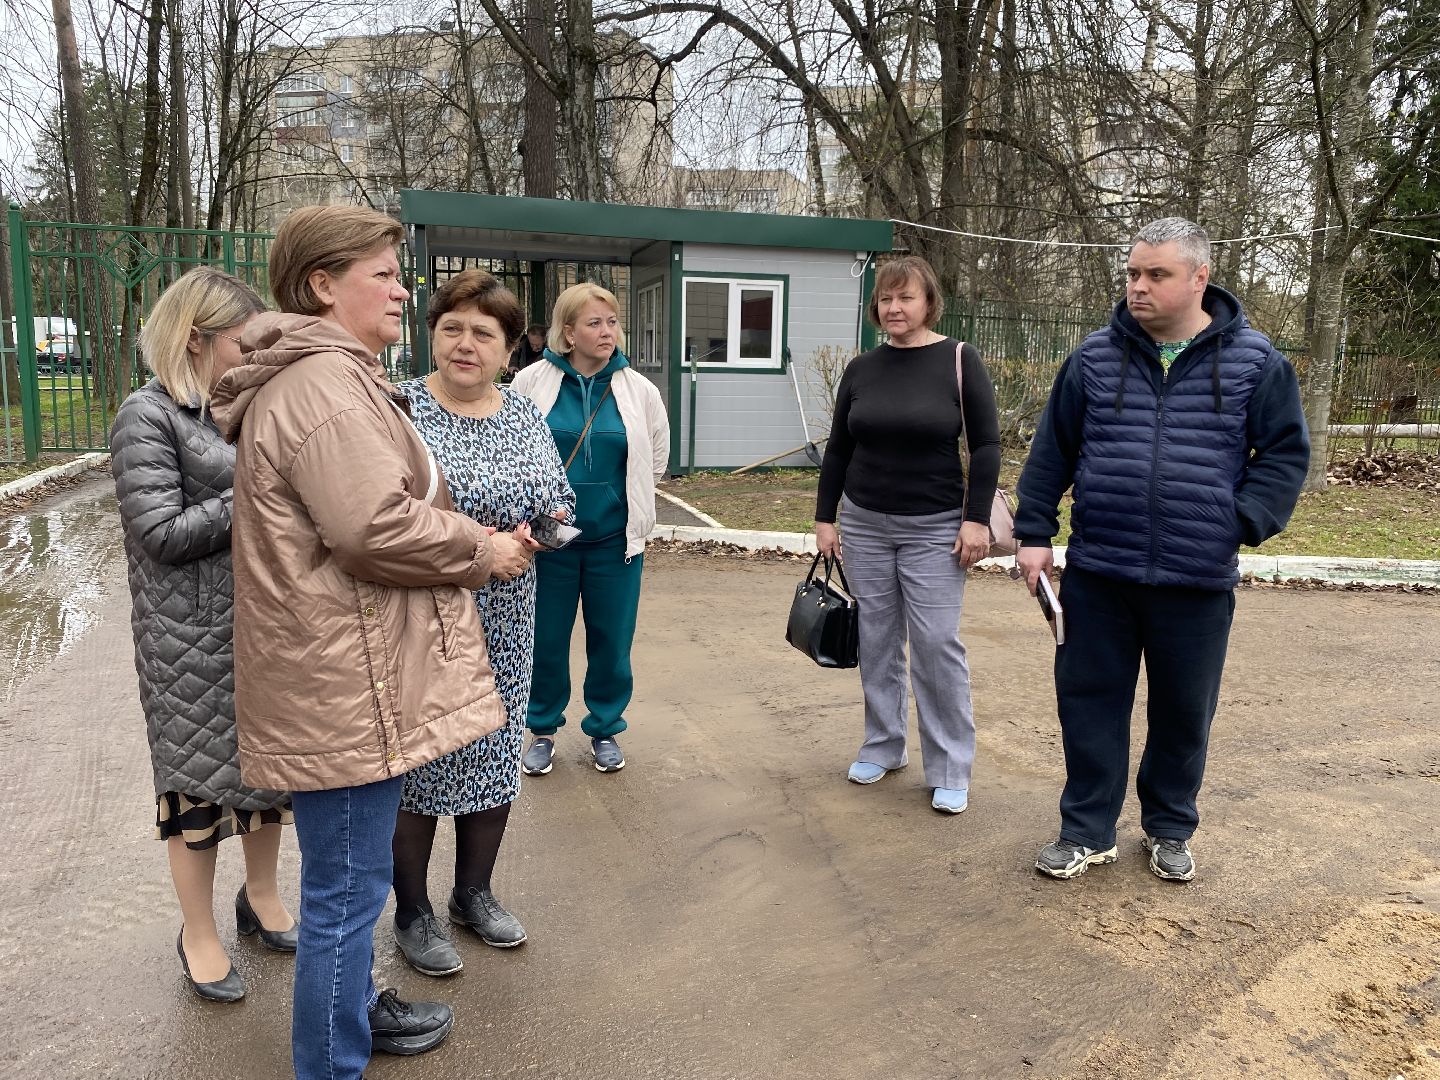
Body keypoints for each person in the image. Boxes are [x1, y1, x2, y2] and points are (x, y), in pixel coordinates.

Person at [211, 205, 532, 1079]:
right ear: (322, 284)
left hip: (344, 669)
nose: (401, 290)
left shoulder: (331, 377)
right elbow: (370, 527)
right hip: (344, 679)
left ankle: (349, 1017)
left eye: (399, 274)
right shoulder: (322, 385)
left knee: (346, 885)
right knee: (347, 894)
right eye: (384, 274)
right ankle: (331, 1061)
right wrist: (480, 548)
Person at [1016, 217, 1308, 884]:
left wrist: (1237, 520)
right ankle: (1086, 830)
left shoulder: (1256, 363)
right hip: (1100, 572)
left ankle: (1169, 828)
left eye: (1156, 274)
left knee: (1183, 714)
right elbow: (1051, 452)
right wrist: (1034, 535)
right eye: (1132, 273)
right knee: (1089, 705)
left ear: (1199, 278)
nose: (1137, 287)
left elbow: (1284, 456)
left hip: (1196, 579)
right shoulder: (1093, 359)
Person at [111, 267, 296, 1004]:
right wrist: (256, 490)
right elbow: (159, 533)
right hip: (186, 638)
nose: (253, 354)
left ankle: (263, 896)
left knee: (268, 770)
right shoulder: (147, 415)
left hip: (264, 625)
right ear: (196, 339)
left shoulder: (243, 406)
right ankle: (198, 932)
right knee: (194, 786)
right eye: (241, 343)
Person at [388, 270, 574, 976]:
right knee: (421, 761)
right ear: (432, 335)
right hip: (422, 615)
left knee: (492, 754)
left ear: (508, 348)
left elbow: (558, 501)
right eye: (453, 329)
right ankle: (412, 911)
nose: (466, 344)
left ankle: (474, 893)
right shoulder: (398, 408)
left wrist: (535, 538)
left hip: (507, 615)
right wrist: (477, 548)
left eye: (484, 334)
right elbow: (385, 517)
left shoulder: (523, 414)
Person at [813, 255, 1002, 815]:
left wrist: (975, 518)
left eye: (906, 297)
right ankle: (883, 745)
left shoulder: (959, 359)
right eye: (886, 299)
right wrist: (825, 517)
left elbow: (986, 446)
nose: (894, 308)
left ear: (929, 303)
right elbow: (838, 448)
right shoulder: (861, 368)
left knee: (937, 644)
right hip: (864, 523)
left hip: (937, 527)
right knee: (876, 639)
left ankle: (949, 767)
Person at [511, 283, 669, 776]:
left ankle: (604, 728)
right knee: (545, 640)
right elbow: (511, 450)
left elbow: (655, 459)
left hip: (614, 544)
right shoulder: (531, 382)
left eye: (612, 322)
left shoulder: (639, 390)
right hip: (548, 543)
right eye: (594, 323)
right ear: (568, 331)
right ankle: (541, 729)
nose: (607, 332)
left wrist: (622, 502)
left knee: (611, 643)